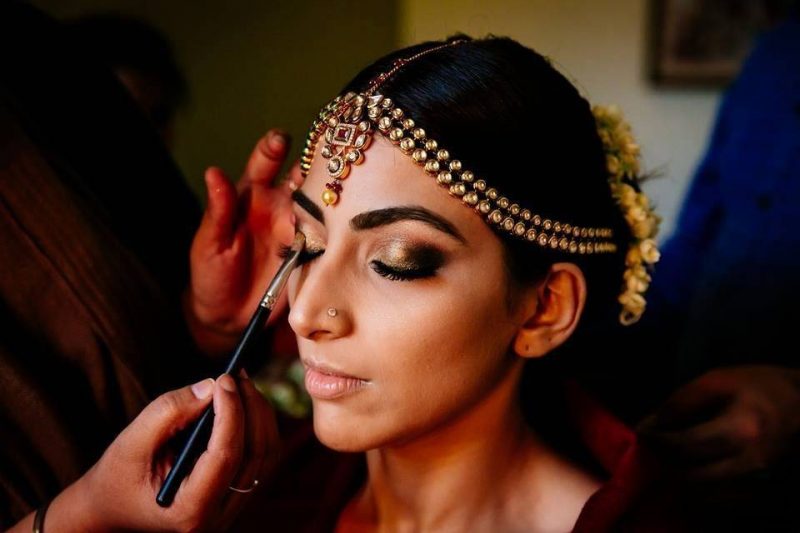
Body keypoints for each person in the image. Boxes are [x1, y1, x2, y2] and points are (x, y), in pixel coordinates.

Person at [9, 35, 687, 531]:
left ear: (543, 307)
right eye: (304, 244)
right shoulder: (259, 499)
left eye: (395, 259)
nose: (305, 311)